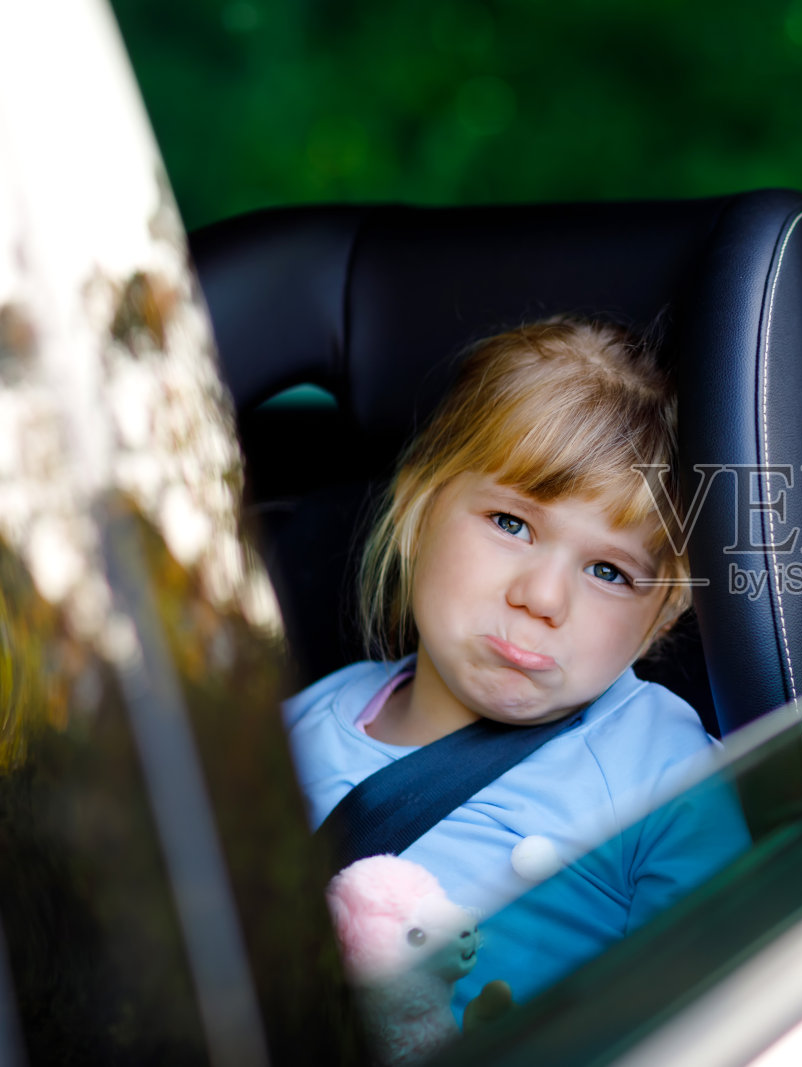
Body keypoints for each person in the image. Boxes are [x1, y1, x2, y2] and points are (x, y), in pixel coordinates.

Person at [282, 317, 748, 1009]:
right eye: (511, 523)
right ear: (418, 503)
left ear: (664, 615)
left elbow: (721, 1000)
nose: (542, 596)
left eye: (608, 571)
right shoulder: (301, 725)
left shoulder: (662, 772)